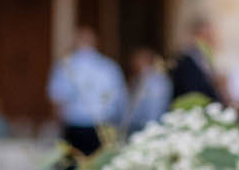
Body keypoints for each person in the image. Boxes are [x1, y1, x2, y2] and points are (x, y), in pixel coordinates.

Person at [46, 26, 126, 159]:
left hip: (74, 126)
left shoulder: (65, 65)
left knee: (72, 169)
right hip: (102, 126)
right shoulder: (109, 66)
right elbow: (120, 100)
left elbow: (57, 99)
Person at [168, 18, 224, 105]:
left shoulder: (205, 60)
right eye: (206, 36)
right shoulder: (186, 62)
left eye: (210, 36)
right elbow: (191, 93)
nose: (210, 40)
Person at [124, 47, 171, 133]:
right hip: (136, 126)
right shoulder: (138, 79)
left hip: (147, 127)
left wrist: (150, 129)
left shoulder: (156, 81)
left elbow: (155, 109)